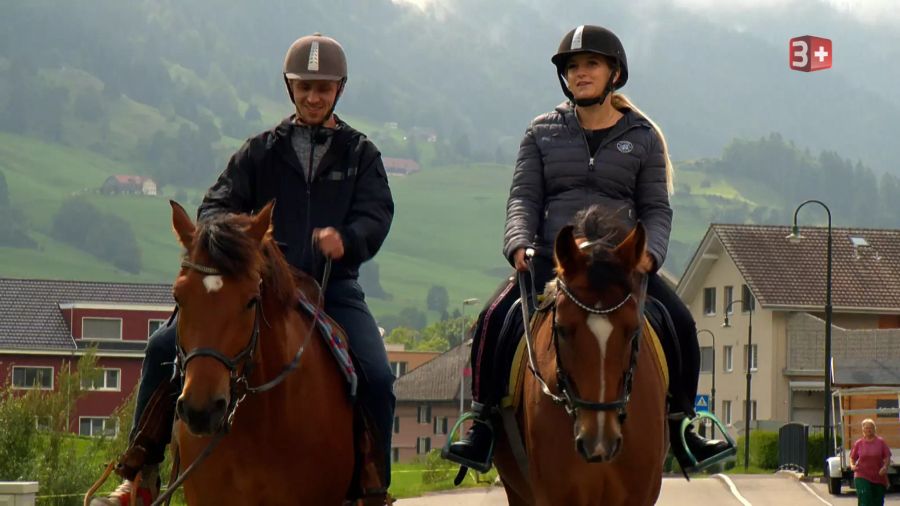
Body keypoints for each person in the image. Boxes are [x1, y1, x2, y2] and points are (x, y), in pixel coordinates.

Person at [91, 33, 396, 505]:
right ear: (289, 88)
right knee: (161, 347)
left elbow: (378, 213)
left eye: (324, 87)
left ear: (340, 90)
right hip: (251, 285)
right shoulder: (260, 150)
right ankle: (140, 469)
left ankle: (372, 483)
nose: (313, 96)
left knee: (376, 374)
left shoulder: (361, 154)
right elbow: (215, 203)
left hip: (329, 287)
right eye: (304, 86)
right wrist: (231, 241)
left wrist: (348, 240)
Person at [444, 24, 732, 473]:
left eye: (590, 65)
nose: (581, 74)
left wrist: (648, 255)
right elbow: (523, 197)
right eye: (573, 67)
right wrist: (518, 242)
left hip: (621, 265)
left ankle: (682, 422)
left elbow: (656, 208)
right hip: (557, 261)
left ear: (613, 73)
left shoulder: (643, 137)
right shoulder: (541, 132)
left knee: (679, 321)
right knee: (492, 321)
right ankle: (481, 423)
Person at [850, 418, 892, 506]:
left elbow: (887, 457)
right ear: (863, 430)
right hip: (862, 475)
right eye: (866, 428)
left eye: (871, 428)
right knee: (865, 499)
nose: (869, 430)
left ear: (874, 429)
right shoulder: (859, 443)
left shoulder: (881, 442)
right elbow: (852, 457)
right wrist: (852, 465)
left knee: (878, 501)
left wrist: (885, 467)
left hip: (878, 476)